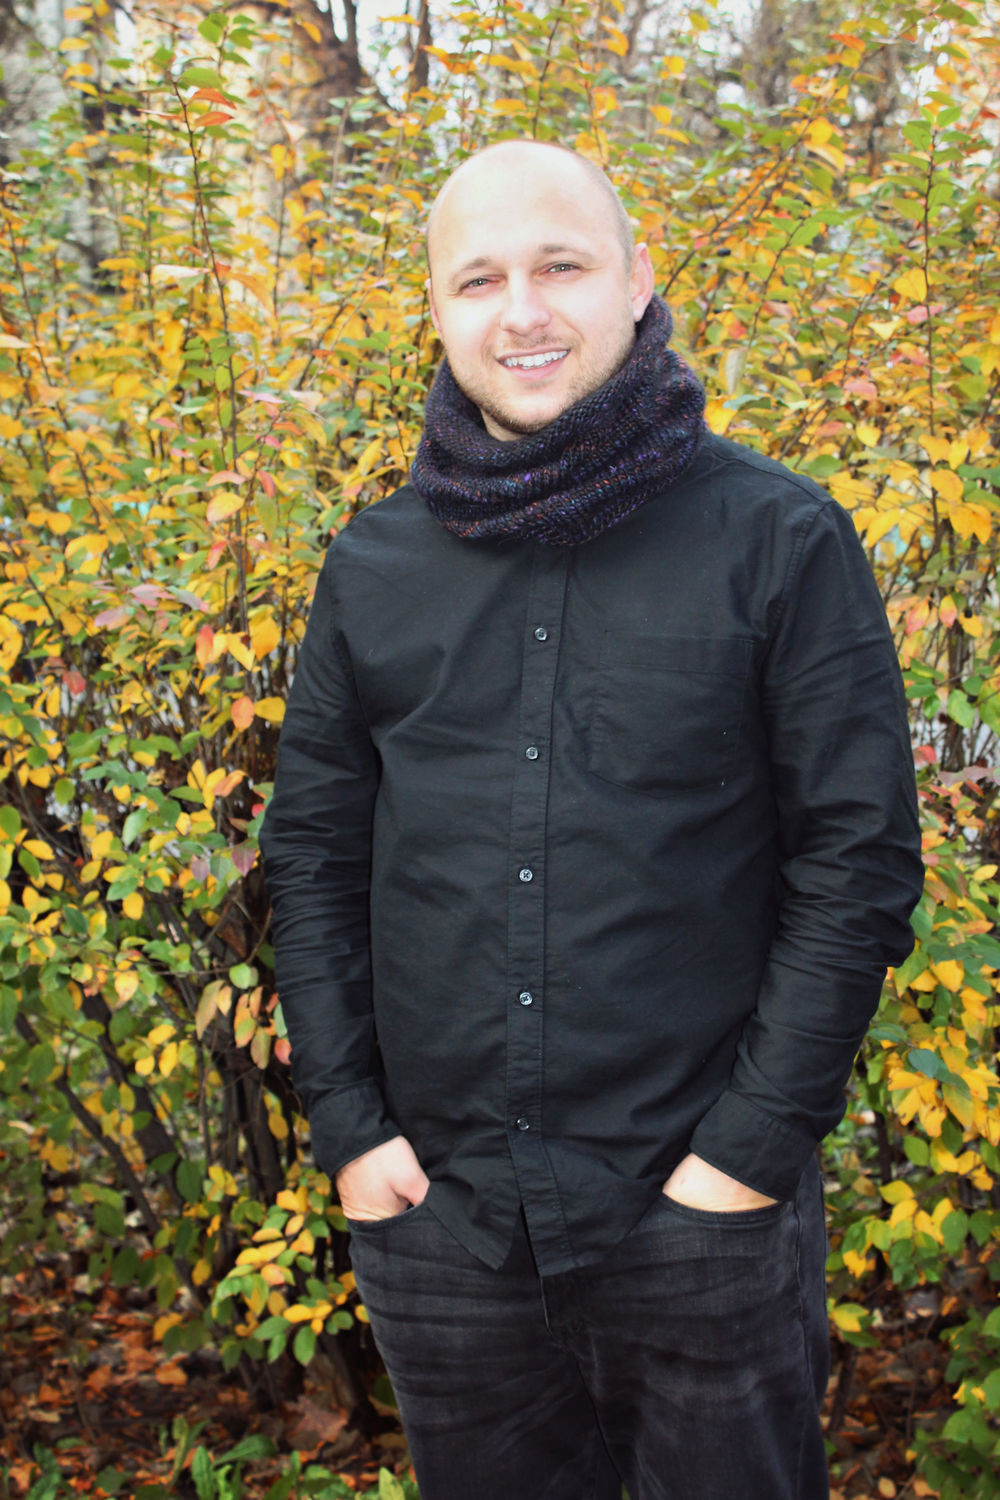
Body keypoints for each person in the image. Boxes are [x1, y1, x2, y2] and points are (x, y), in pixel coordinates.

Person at [259, 140, 924, 1500]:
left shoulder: (781, 539)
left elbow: (856, 871)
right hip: (444, 1232)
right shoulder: (374, 566)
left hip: (702, 1221)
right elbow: (313, 860)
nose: (523, 312)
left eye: (560, 266)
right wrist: (354, 1140)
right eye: (479, 280)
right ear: (437, 310)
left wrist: (743, 1160)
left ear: (636, 279)